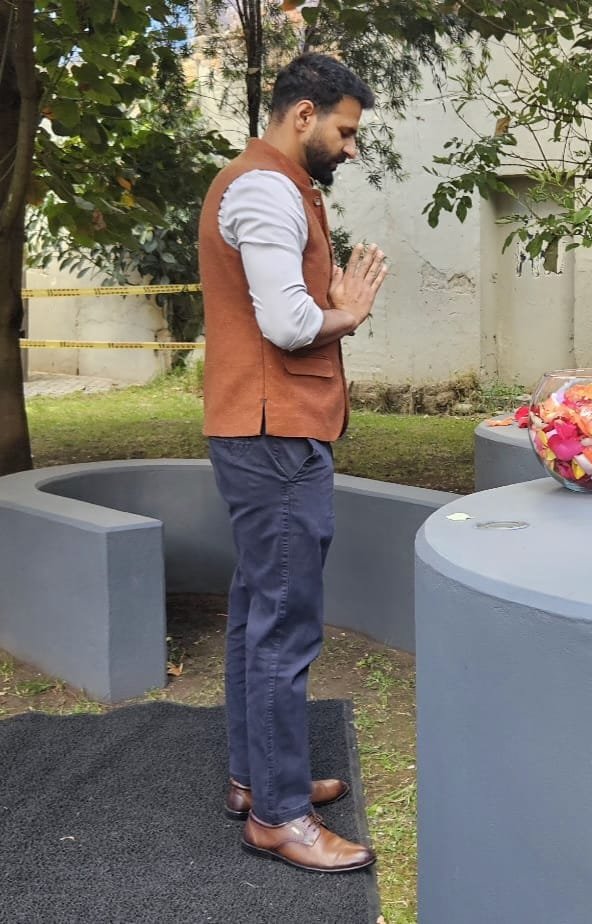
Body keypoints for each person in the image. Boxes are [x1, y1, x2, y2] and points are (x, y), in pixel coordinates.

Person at [198, 53, 388, 873]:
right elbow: (286, 323)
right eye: (345, 131)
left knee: (256, 611)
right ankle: (277, 816)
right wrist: (347, 313)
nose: (351, 148)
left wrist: (332, 307)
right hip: (274, 435)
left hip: (263, 429)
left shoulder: (270, 186)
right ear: (302, 114)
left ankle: (257, 779)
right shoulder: (267, 187)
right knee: (284, 622)